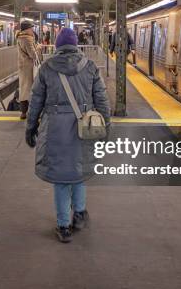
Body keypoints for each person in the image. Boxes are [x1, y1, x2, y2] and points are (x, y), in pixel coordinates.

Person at [25, 28, 111, 243]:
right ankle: (80, 213)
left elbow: (35, 101)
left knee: (61, 179)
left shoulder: (46, 68)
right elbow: (102, 101)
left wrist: (30, 128)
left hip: (54, 128)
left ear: (57, 45)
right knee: (78, 170)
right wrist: (105, 127)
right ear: (75, 44)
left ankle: (64, 226)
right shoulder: (90, 67)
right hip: (83, 128)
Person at [16, 20, 40, 119]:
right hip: (29, 67)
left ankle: (23, 112)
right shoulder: (27, 39)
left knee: (23, 88)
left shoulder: (19, 38)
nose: (32, 30)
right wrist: (38, 47)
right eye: (31, 28)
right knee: (32, 89)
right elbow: (33, 54)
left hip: (22, 66)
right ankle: (30, 112)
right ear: (27, 29)